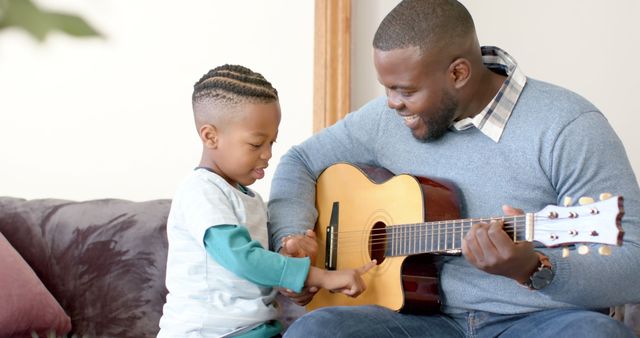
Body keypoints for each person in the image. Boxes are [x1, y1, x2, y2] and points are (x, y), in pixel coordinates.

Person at [268, 1, 640, 337]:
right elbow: (299, 161)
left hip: (537, 323)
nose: (392, 104)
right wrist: (292, 240)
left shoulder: (567, 125)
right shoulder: (387, 118)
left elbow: (633, 264)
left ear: (459, 73)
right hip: (421, 322)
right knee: (317, 331)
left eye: (406, 91)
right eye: (387, 89)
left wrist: (532, 268)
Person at [157, 64, 376, 338]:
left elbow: (268, 264)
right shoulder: (201, 192)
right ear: (210, 136)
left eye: (272, 142)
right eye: (256, 144)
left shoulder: (253, 200)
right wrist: (322, 276)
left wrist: (291, 249)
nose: (268, 155)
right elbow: (244, 259)